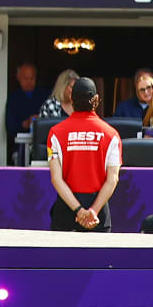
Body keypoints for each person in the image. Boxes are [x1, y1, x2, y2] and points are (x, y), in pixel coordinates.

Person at [48, 77, 121, 232]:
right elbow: (113, 178)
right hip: (98, 215)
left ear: (71, 100)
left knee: (63, 257)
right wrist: (93, 211)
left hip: (66, 212)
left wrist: (78, 210)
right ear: (96, 100)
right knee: (100, 257)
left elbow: (56, 179)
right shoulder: (111, 134)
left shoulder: (55, 133)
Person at [6, 62, 51, 139]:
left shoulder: (45, 95)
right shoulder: (13, 98)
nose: (29, 82)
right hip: (20, 145)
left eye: (32, 78)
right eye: (26, 78)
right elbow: (9, 127)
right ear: (18, 77)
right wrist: (26, 123)